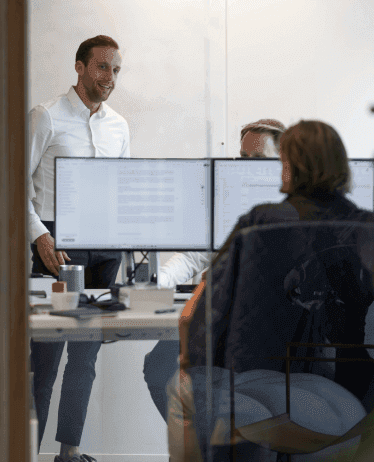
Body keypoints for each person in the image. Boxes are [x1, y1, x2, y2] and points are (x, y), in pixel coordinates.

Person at [168, 120, 374, 461]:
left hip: (289, 406)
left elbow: (201, 318)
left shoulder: (260, 223)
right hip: (365, 409)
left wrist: (192, 362)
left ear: (287, 168)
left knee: (182, 388)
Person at [141, 119, 287, 422]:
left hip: (266, 325)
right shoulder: (227, 201)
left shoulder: (293, 208)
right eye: (243, 158)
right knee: (159, 368)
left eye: (259, 160)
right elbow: (195, 257)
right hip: (219, 316)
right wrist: (157, 281)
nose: (247, 167)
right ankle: (197, 447)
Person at [28, 35, 130, 462]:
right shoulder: (46, 116)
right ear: (80, 67)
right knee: (45, 360)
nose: (110, 77)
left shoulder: (119, 126)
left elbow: (123, 190)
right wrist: (38, 235)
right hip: (56, 244)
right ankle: (26, 452)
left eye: (116, 70)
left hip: (104, 246)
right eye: (103, 67)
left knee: (85, 360)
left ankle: (69, 453)